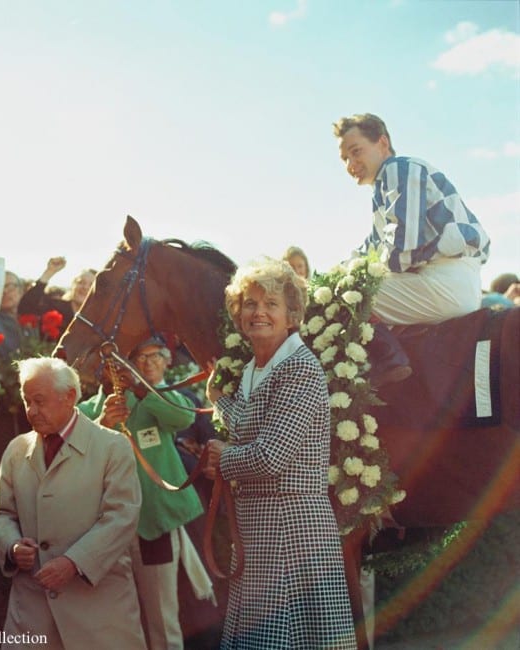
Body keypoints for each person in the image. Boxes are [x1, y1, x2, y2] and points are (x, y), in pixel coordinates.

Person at [203, 258, 356, 650]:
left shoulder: (299, 368)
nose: (259, 312)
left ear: (291, 315)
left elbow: (270, 456)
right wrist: (219, 403)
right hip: (260, 528)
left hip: (293, 527)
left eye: (270, 303)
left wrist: (224, 458)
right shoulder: (258, 367)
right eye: (250, 304)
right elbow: (245, 424)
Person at [0, 357, 146, 649]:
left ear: (70, 396)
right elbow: (0, 514)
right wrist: (12, 546)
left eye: (40, 400)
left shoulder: (112, 446)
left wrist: (74, 562)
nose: (32, 410)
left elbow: (122, 517)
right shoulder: (16, 450)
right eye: (26, 400)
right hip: (32, 613)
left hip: (99, 613)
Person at [333, 113, 491, 387]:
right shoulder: (384, 188)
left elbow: (399, 253)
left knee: (341, 296)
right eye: (344, 159)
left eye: (356, 151)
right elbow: (367, 250)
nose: (350, 164)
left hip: (444, 282)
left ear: (382, 142)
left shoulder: (398, 169)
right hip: (451, 281)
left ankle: (391, 361)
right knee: (345, 282)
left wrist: (344, 278)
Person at [79, 336, 206, 650]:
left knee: (163, 618)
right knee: (116, 617)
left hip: (154, 524)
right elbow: (74, 455)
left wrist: (138, 389)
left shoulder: (155, 399)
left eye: (120, 363)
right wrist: (102, 422)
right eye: (108, 365)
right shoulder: (85, 411)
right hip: (104, 531)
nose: (113, 371)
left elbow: (185, 417)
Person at [18, 257, 96, 331]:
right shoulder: (55, 308)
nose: (85, 287)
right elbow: (26, 307)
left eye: (91, 285)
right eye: (80, 282)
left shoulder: (98, 319)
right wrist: (48, 273)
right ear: (72, 286)